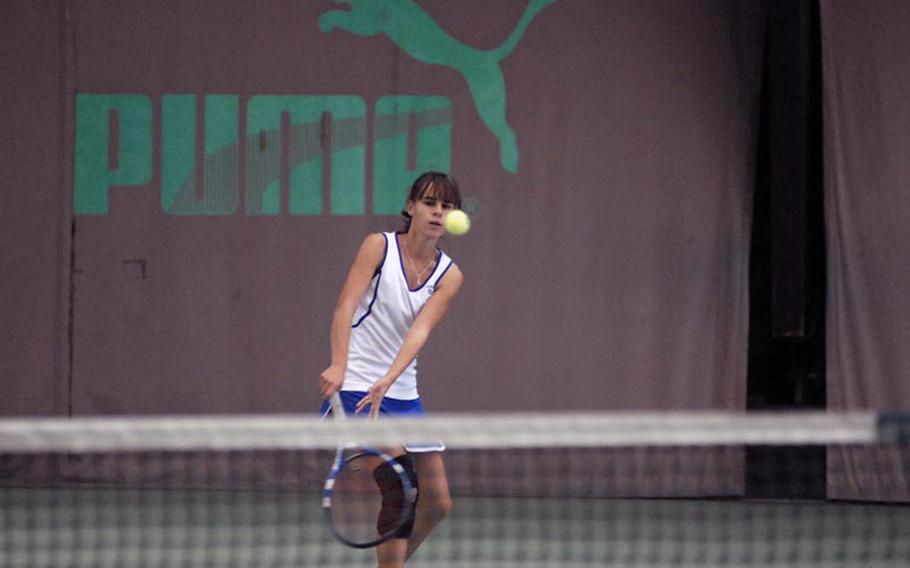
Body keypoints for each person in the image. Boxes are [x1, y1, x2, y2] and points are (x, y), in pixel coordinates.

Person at [319, 171, 464, 567]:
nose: (437, 212)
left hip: (400, 393)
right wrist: (338, 363)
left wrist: (390, 378)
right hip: (354, 388)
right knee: (400, 490)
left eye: (446, 206)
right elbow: (344, 306)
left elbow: (419, 332)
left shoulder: (449, 275)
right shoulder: (377, 247)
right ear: (410, 206)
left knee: (438, 503)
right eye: (430, 203)